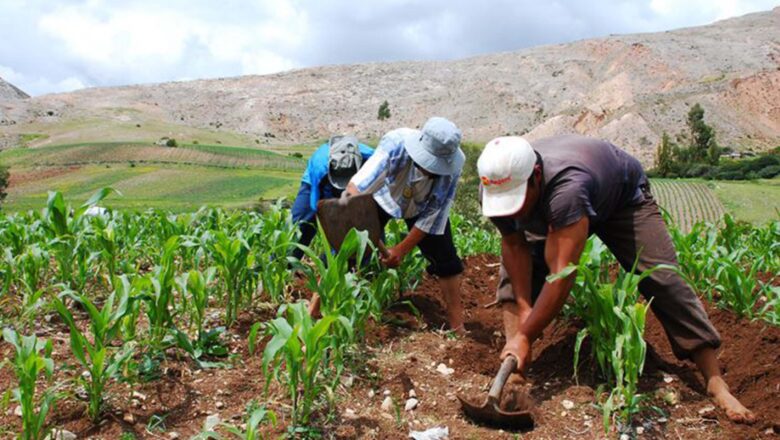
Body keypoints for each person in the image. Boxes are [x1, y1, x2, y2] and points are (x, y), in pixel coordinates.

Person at [477, 134, 755, 423]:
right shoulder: (495, 186)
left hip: (621, 198)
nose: (513, 210)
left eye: (517, 199)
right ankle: (515, 373)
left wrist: (527, 334)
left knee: (661, 277)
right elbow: (514, 245)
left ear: (535, 176)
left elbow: (561, 275)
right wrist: (524, 311)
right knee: (512, 281)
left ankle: (714, 380)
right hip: (560, 201)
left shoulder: (567, 189)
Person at [342, 116, 467, 334]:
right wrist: (361, 219)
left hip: (421, 205)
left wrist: (399, 250)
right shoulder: (395, 144)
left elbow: (432, 216)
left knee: (447, 260)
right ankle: (346, 316)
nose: (432, 170)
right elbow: (356, 188)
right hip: (383, 197)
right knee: (354, 254)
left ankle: (458, 327)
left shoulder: (451, 169)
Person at [290, 135, 373, 261]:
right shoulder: (320, 167)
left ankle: (345, 264)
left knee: (365, 227)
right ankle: (284, 264)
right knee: (301, 225)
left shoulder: (372, 161)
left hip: (358, 185)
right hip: (317, 182)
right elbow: (316, 206)